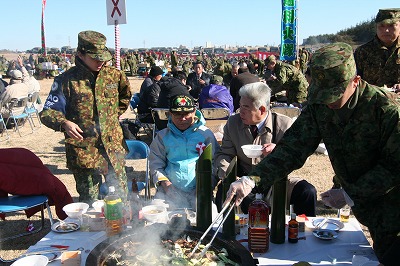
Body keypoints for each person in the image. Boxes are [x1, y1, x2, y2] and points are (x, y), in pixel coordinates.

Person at [225, 42, 400, 265]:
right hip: (369, 209)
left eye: (334, 95)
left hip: (393, 208)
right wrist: (251, 180)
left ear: (355, 81)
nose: (328, 102)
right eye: (322, 95)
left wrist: (350, 194)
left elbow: (395, 166)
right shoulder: (320, 106)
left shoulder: (386, 110)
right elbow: (292, 148)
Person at [40, 30, 132, 204]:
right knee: (91, 201)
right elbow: (48, 112)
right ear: (80, 54)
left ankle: (123, 229)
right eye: (95, 58)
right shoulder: (66, 80)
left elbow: (124, 98)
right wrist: (64, 123)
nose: (100, 62)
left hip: (113, 147)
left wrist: (109, 119)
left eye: (102, 57)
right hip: (84, 151)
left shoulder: (115, 76)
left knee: (121, 198)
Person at [215, 82, 316, 215]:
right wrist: (229, 176)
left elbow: (301, 155)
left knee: (307, 191)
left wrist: (279, 150)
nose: (240, 112)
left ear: (262, 110)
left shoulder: (283, 124)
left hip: (277, 180)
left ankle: (302, 232)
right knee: (226, 191)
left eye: (245, 107)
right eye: (240, 106)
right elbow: (225, 155)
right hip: (244, 178)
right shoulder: (233, 123)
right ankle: (230, 233)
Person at [149, 94, 220, 209]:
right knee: (155, 217)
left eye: (187, 114)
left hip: (199, 191)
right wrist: (167, 186)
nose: (182, 119)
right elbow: (155, 165)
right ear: (170, 114)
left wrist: (204, 186)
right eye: (177, 114)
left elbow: (214, 163)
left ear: (194, 112)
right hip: (168, 192)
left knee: (209, 218)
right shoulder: (162, 137)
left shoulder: (205, 134)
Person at [0, 148, 73, 220]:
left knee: (57, 189)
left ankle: (70, 218)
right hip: (28, 178)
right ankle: (70, 219)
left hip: (34, 174)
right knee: (56, 189)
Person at [354, 8, 400, 92]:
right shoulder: (362, 52)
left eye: (391, 25)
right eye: (381, 26)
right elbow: (353, 83)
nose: (386, 30)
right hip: (371, 102)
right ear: (376, 27)